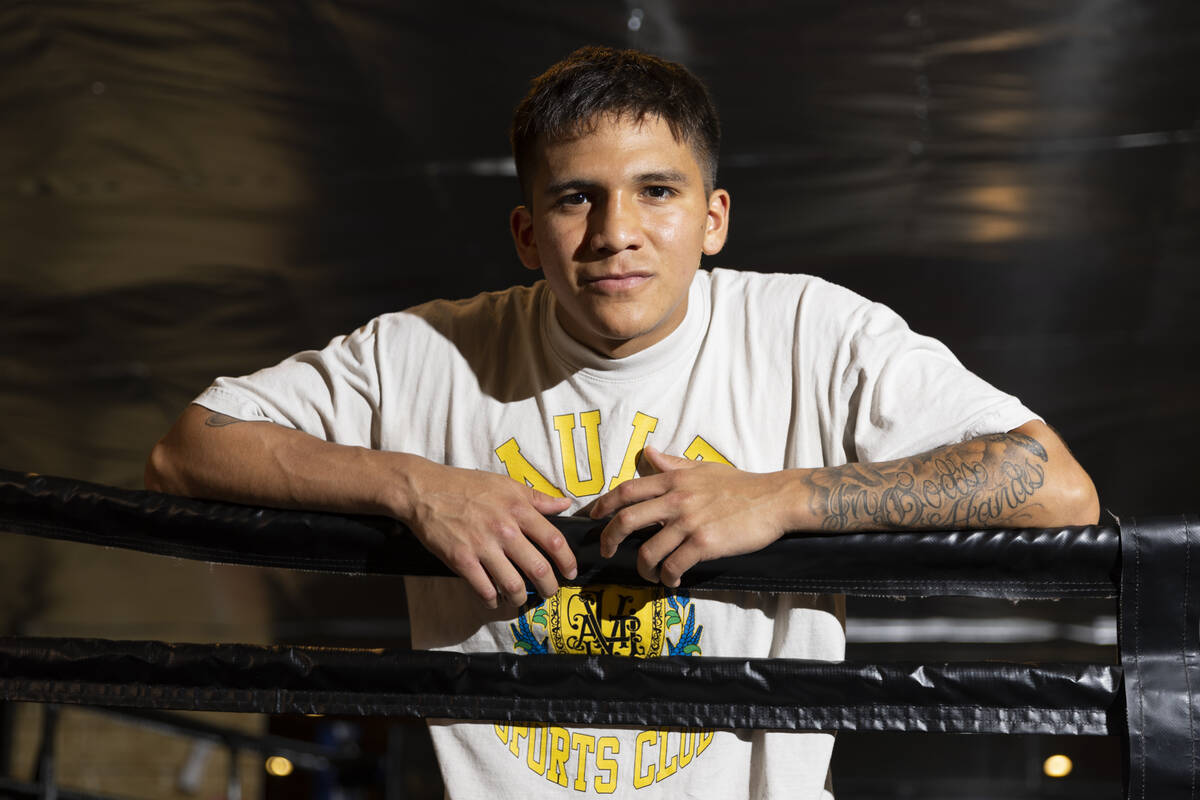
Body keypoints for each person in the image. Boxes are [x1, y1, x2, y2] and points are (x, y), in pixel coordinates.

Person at [146, 45, 1098, 800]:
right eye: (574, 197)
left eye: (657, 190)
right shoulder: (424, 352)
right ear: (528, 233)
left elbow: (1056, 487)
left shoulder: (809, 328)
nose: (614, 232)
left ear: (713, 217)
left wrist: (785, 497)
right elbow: (187, 450)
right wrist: (413, 485)